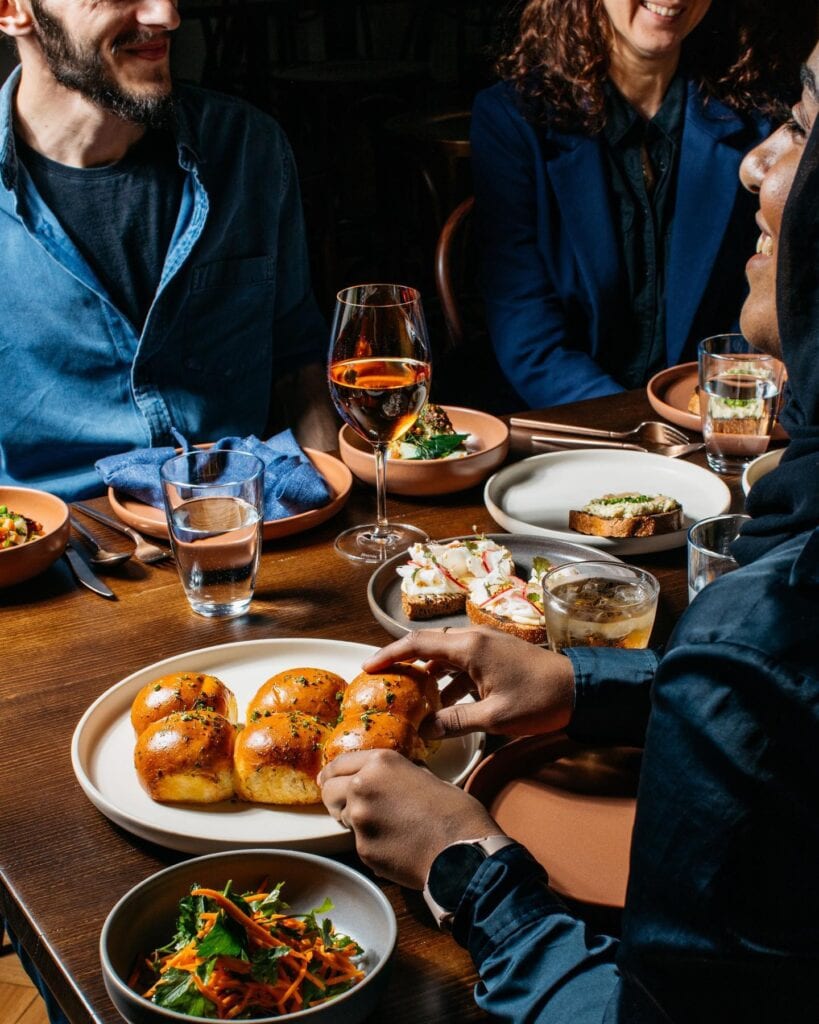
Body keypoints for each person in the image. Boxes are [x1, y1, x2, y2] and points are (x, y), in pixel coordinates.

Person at [320, 42, 819, 1022]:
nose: (757, 161)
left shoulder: (757, 632)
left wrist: (470, 870)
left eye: (802, 128)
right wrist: (587, 684)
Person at [0, 0, 337, 501]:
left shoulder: (247, 147)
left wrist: (332, 502)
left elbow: (297, 361)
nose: (166, 16)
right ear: (12, 11)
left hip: (244, 519)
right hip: (60, 546)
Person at [470, 0, 811, 409]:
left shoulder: (756, 118)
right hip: (567, 426)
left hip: (705, 423)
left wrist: (710, 418)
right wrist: (642, 434)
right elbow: (529, 340)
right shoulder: (512, 119)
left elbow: (751, 320)